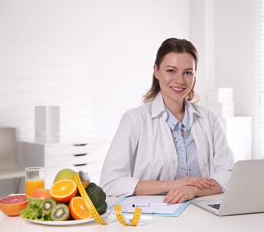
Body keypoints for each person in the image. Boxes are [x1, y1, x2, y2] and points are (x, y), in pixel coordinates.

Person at [99, 38, 234, 204]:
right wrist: (175, 185)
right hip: (153, 215)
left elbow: (228, 174)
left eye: (188, 72)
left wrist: (191, 190)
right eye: (171, 71)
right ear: (156, 71)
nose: (180, 80)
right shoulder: (134, 120)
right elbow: (111, 182)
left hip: (201, 211)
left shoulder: (208, 119)